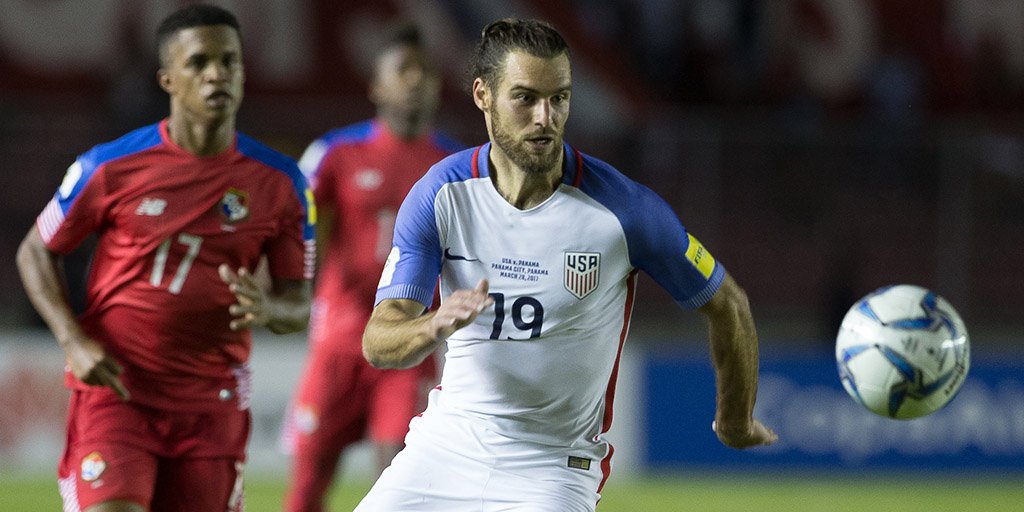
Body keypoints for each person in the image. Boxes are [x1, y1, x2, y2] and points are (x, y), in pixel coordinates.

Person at [355, 18, 778, 511]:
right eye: (525, 98)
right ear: (483, 95)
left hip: (554, 465)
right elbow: (379, 342)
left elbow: (728, 303)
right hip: (446, 446)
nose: (545, 117)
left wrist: (735, 420)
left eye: (559, 98)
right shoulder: (440, 195)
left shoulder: (625, 211)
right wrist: (433, 324)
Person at [15, 5, 314, 512]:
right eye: (199, 62)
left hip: (212, 408)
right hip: (118, 394)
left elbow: (300, 305)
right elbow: (35, 251)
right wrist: (73, 340)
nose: (217, 74)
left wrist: (268, 310)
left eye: (229, 61)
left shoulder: (282, 184)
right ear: (168, 79)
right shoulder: (109, 167)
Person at [280, 23, 462, 512]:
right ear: (377, 86)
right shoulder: (336, 153)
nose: (416, 80)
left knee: (398, 481)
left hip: (409, 341)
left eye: (425, 71)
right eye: (404, 70)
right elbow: (289, 221)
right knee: (307, 486)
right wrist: (287, 288)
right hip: (337, 342)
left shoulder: (454, 165)